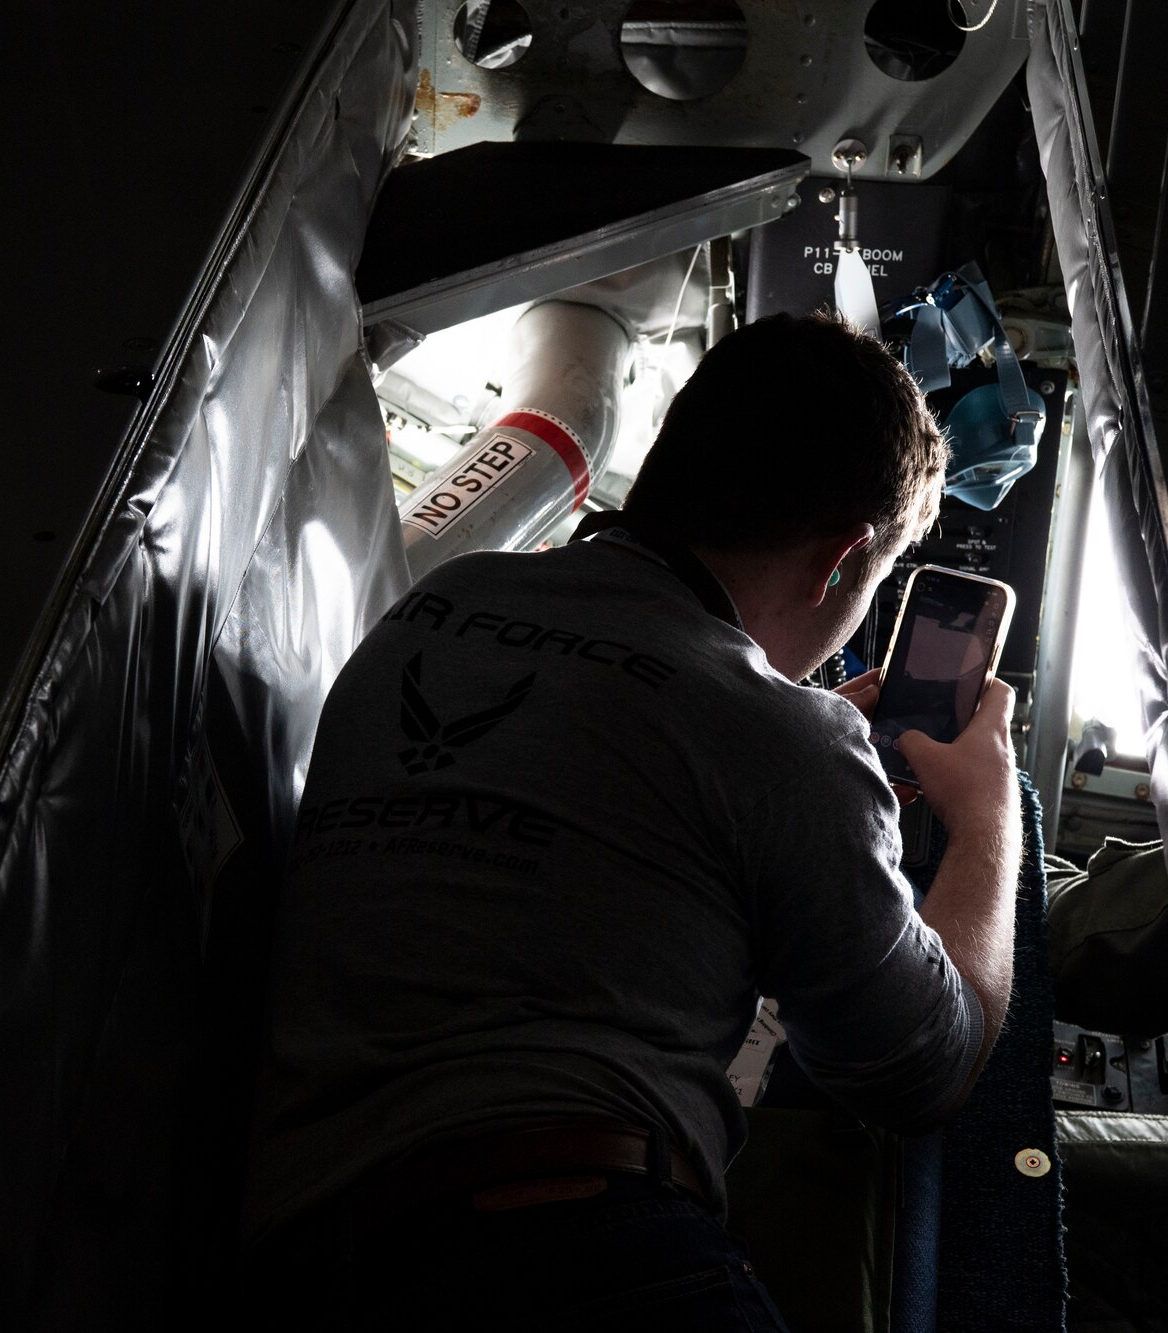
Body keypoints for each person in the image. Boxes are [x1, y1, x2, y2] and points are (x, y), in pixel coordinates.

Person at [238, 312, 1023, 1328]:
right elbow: (921, 1064)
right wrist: (986, 816)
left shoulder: (431, 611)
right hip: (578, 1260)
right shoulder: (784, 735)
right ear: (842, 558)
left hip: (300, 1265)